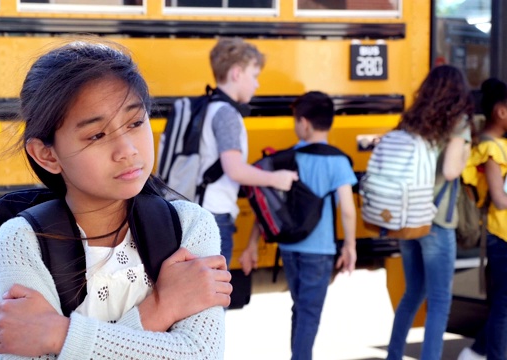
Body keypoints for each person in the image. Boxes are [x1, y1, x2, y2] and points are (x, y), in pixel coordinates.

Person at [0, 38, 233, 359]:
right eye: (97, 135)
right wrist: (160, 307)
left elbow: (201, 354)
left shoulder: (188, 226)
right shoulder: (22, 242)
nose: (127, 149)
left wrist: (58, 336)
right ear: (47, 154)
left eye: (136, 122)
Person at [239, 91, 358, 360]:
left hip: (289, 246)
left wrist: (252, 245)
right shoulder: (338, 161)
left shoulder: (288, 159)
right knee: (308, 311)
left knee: (300, 307)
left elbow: (268, 205)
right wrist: (350, 245)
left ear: (304, 123)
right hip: (320, 250)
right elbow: (348, 210)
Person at [385, 65, 474, 360]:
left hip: (407, 217)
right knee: (439, 300)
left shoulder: (411, 120)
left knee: (413, 293)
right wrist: (465, 153)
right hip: (436, 220)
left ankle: (394, 355)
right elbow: (450, 171)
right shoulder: (458, 122)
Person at [203, 37, 297, 265]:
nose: (257, 85)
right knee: (215, 297)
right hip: (214, 216)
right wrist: (276, 179)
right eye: (254, 76)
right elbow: (234, 170)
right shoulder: (227, 115)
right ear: (237, 73)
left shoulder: (207, 107)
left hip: (199, 211)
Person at [458, 77, 507, 360]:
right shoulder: (491, 148)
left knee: (503, 303)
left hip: (500, 235)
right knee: (502, 305)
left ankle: (476, 352)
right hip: (501, 235)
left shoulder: (495, 144)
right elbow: (499, 199)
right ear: (500, 111)